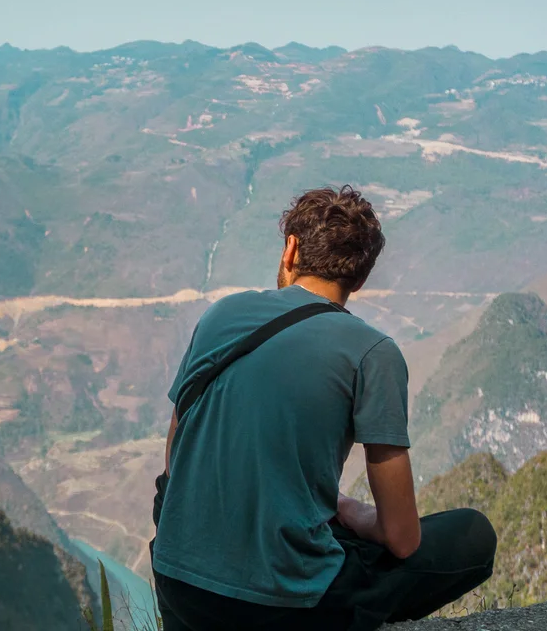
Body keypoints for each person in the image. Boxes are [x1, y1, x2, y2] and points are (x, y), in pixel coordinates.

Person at [150, 185, 496, 631]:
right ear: (361, 277)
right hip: (282, 609)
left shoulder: (220, 316)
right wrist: (350, 511)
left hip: (180, 586)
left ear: (290, 249)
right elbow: (403, 539)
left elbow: (174, 464)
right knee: (472, 535)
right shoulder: (373, 353)